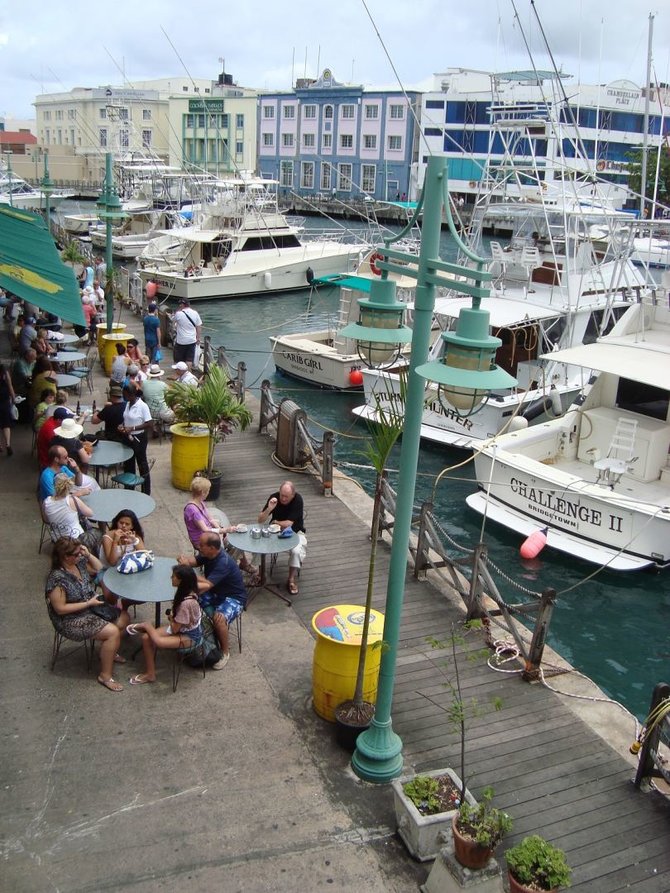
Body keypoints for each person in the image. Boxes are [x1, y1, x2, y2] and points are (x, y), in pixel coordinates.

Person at [45, 537, 128, 692]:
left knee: (124, 617)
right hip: (70, 619)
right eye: (77, 554)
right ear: (65, 557)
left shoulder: (78, 564)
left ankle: (108, 652)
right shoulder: (57, 579)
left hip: (91, 607)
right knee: (113, 632)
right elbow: (60, 609)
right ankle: (105, 675)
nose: (80, 556)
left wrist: (88, 555)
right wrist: (88, 604)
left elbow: (99, 568)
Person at [177, 533, 247, 670]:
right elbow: (194, 562)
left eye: (202, 545)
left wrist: (189, 575)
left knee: (218, 618)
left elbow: (207, 584)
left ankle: (225, 652)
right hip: (217, 592)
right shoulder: (207, 555)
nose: (199, 547)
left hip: (234, 598)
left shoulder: (223, 563)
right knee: (190, 598)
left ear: (212, 548)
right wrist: (184, 561)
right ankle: (199, 626)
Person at [126, 565, 203, 685]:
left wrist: (171, 619)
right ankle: (150, 674)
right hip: (182, 627)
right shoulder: (189, 592)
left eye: (173, 576)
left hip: (190, 636)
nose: (171, 578)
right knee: (146, 638)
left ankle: (144, 626)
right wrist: (174, 618)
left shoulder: (186, 603)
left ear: (181, 580)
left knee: (157, 641)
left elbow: (175, 629)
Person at [183, 476, 258, 578]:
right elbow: (205, 529)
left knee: (236, 540)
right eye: (208, 490)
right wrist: (225, 530)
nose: (209, 492)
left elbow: (210, 519)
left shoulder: (200, 503)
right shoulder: (192, 510)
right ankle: (225, 568)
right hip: (202, 541)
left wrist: (222, 531)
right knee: (233, 544)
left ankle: (241, 564)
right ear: (202, 492)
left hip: (210, 535)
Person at [258, 481, 306, 596]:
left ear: (292, 496)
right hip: (275, 531)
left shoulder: (298, 500)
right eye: (281, 495)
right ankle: (259, 574)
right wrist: (269, 509)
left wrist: (275, 521)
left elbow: (289, 523)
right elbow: (260, 520)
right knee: (258, 543)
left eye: (286, 497)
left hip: (295, 532)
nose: (283, 499)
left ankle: (291, 579)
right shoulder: (274, 498)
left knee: (296, 551)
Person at [42, 474, 98, 549]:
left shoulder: (46, 502)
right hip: (76, 539)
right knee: (99, 533)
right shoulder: (72, 501)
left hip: (57, 538)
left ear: (54, 486)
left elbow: (46, 520)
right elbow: (90, 513)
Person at [119, 383, 153, 495]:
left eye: (125, 395)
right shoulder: (127, 404)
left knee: (142, 465)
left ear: (132, 395)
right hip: (128, 437)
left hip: (139, 438)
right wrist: (122, 426)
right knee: (128, 464)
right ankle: (129, 490)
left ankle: (145, 491)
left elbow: (149, 423)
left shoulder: (142, 406)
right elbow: (127, 418)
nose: (124, 397)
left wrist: (132, 428)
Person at [172, 298, 202, 365]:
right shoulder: (195, 313)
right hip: (191, 340)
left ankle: (179, 373)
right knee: (189, 359)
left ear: (182, 305)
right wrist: (198, 338)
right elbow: (199, 327)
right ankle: (189, 373)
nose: (179, 305)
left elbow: (173, 324)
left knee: (178, 360)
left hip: (181, 341)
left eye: (180, 304)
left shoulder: (178, 314)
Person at [0, 361, 16, 457]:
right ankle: (8, 444)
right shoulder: (4, 373)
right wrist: (14, 398)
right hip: (4, 401)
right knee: (6, 425)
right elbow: (10, 386)